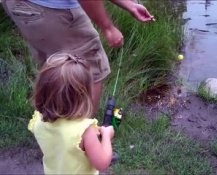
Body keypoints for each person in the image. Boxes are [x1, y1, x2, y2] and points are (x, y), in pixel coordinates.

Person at [2, 0, 154, 114]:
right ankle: (83, 143)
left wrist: (128, 4)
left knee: (54, 68)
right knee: (89, 71)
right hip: (51, 9)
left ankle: (52, 134)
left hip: (20, 6)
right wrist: (107, 28)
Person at [28, 53, 115, 174]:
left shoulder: (38, 121)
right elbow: (103, 163)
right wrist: (106, 136)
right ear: (83, 96)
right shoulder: (84, 131)